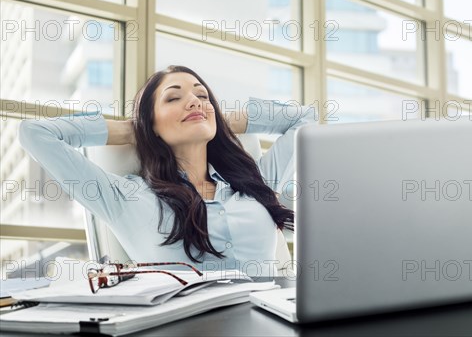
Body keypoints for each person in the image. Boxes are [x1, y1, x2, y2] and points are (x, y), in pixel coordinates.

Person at [18, 65, 317, 276]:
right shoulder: (126, 196)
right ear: (152, 123)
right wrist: (131, 130)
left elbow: (306, 118)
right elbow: (35, 133)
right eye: (174, 98)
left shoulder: (255, 182)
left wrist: (225, 121)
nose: (194, 101)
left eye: (202, 97)